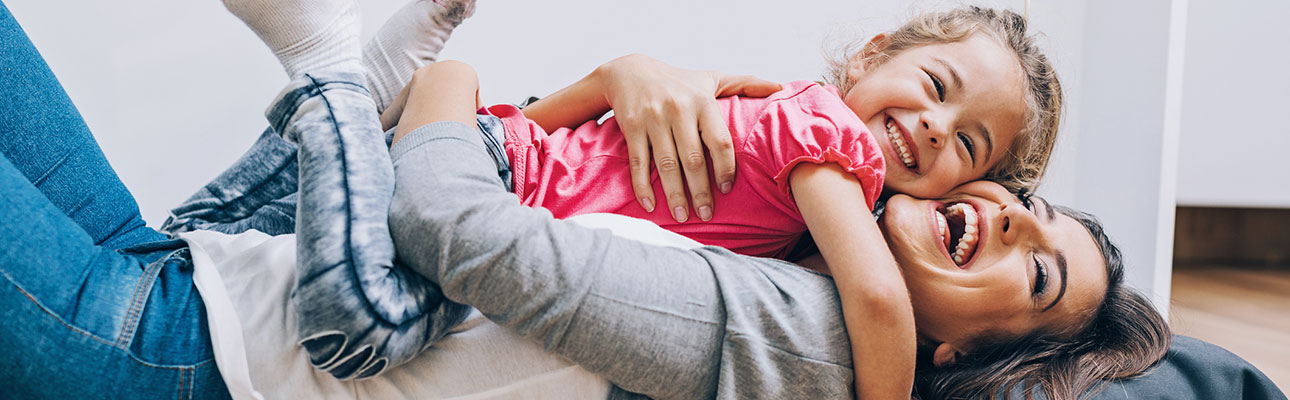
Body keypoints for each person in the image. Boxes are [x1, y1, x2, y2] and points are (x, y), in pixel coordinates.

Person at [0, 1, 1172, 400]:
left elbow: (452, 223)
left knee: (367, 294)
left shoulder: (812, 334)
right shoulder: (810, 174)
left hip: (173, 352)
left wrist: (458, 89)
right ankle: (362, 77)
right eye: (1019, 199)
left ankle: (343, 73)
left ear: (974, 346)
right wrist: (616, 78)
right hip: (178, 269)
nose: (1002, 207)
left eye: (1038, 265)